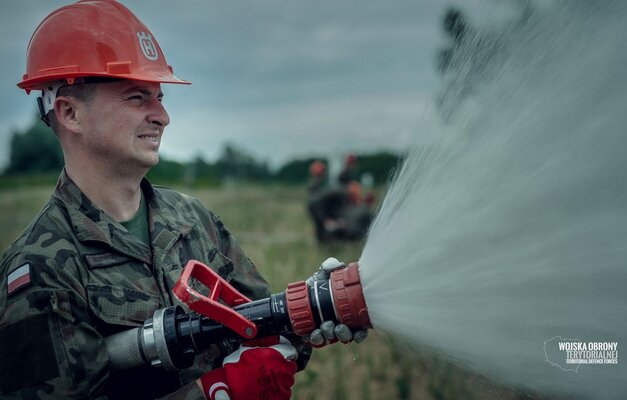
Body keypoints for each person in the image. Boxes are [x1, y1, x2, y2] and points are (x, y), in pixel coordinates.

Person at [0, 1, 363, 399]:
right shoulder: (40, 269)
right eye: (137, 97)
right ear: (70, 113)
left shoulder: (192, 219)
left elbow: (264, 327)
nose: (162, 116)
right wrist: (214, 393)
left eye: (160, 97)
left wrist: (316, 309)